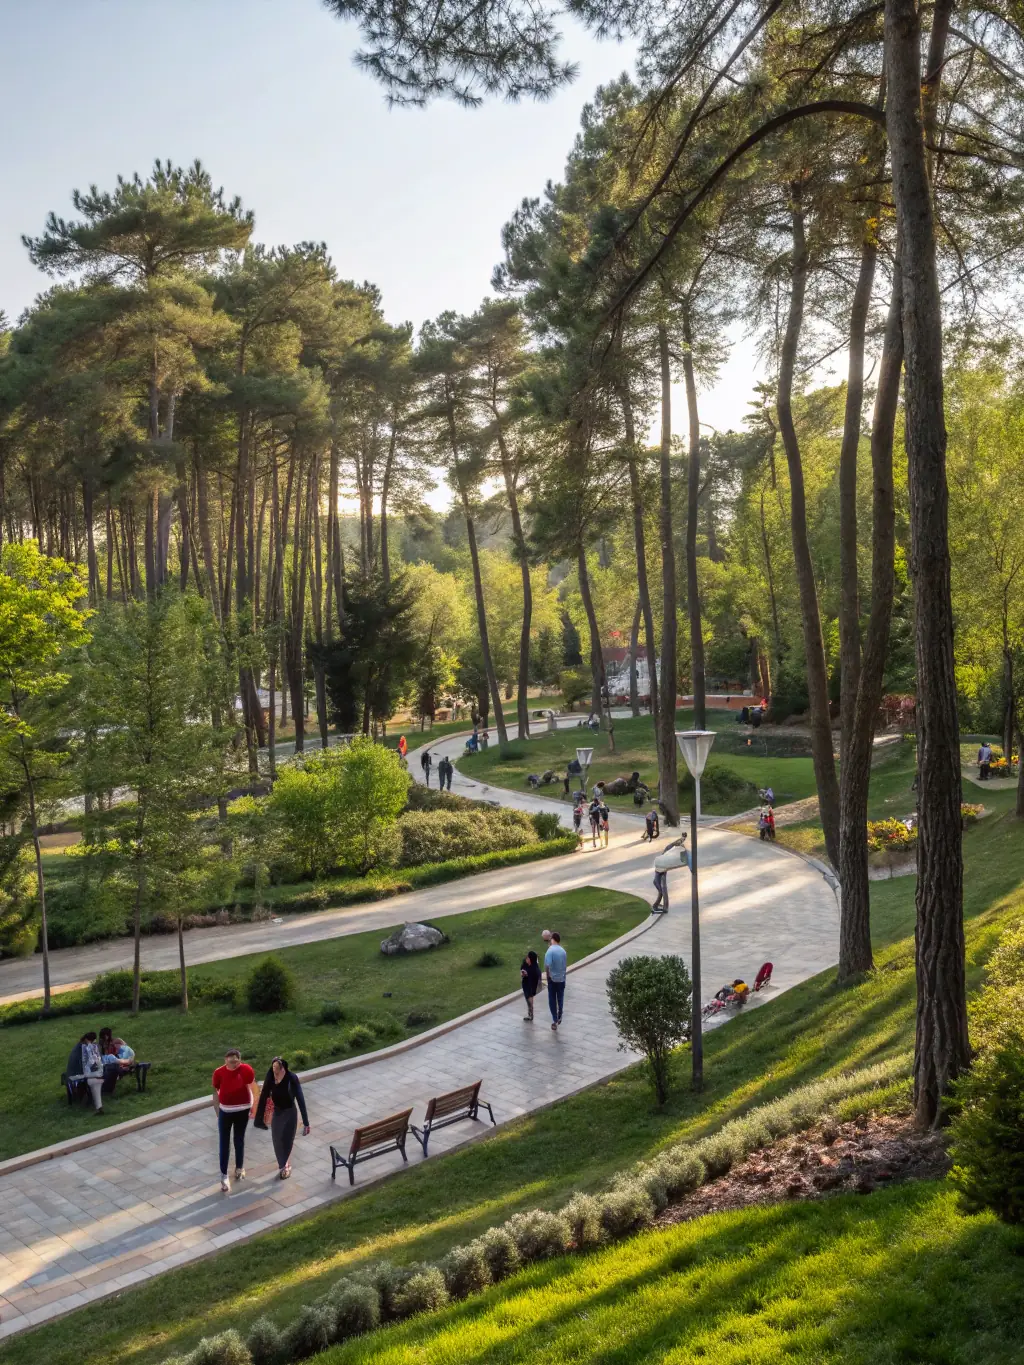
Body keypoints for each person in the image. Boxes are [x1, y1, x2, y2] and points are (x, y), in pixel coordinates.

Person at [254, 1057, 310, 1179]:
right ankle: (283, 1165)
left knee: (288, 1139)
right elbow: (263, 1097)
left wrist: (306, 1122)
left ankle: (285, 1165)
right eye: (273, 1068)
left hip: (290, 1112)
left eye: (277, 1068)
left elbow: (300, 1099)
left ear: (283, 1068)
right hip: (278, 1112)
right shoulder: (270, 1078)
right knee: (277, 1138)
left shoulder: (291, 1078)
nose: (275, 1071)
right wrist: (259, 1119)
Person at [212, 1048, 258, 1192]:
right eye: (231, 1059)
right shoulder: (218, 1073)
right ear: (225, 1059)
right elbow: (215, 1093)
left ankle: (239, 1168)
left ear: (240, 1060)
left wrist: (254, 1107)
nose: (234, 1062)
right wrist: (218, 1112)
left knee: (239, 1139)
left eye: (236, 1059)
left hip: (243, 1111)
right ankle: (224, 1176)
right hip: (225, 1111)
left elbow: (254, 1088)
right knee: (224, 1144)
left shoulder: (246, 1070)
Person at [66, 1032, 105, 1114]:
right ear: (87, 1040)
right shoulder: (82, 1049)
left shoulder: (82, 1047)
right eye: (92, 1042)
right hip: (76, 1074)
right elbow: (85, 1065)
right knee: (94, 1080)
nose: (93, 1044)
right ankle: (98, 1106)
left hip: (81, 1072)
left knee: (96, 1079)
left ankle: (98, 1106)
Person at [544, 931, 567, 1030]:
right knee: (560, 998)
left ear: (552, 939)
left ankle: (554, 1020)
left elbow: (547, 966)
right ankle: (560, 1014)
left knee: (552, 1000)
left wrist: (548, 977)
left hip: (553, 980)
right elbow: (564, 966)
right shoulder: (563, 951)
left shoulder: (550, 951)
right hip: (562, 979)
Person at [520, 949, 542, 1022]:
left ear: (531, 959)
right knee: (527, 998)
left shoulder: (534, 969)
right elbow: (522, 969)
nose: (527, 958)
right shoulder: (525, 963)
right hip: (525, 984)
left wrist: (527, 974)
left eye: (528, 957)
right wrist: (523, 973)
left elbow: (534, 979)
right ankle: (530, 1013)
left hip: (530, 986)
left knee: (529, 998)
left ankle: (531, 1014)